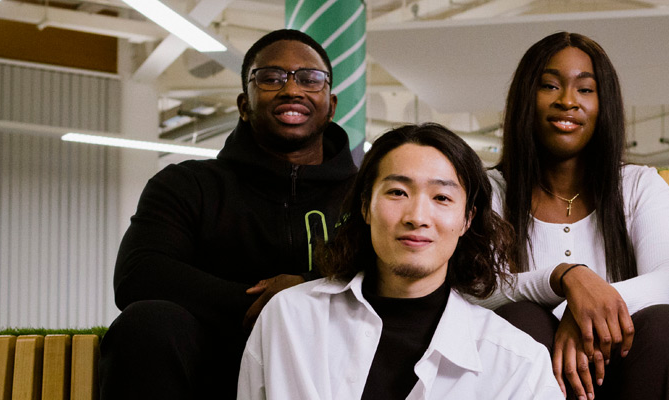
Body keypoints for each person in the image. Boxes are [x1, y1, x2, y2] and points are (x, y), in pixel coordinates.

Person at [101, 29, 355, 399]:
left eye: (309, 78)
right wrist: (264, 304)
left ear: (330, 105)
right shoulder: (188, 184)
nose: (291, 89)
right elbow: (139, 273)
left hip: (336, 365)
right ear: (243, 105)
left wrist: (303, 288)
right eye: (271, 78)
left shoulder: (366, 194)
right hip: (214, 368)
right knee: (148, 321)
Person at [238, 123, 563, 400]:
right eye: (397, 192)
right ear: (365, 206)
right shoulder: (290, 319)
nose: (417, 217)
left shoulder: (516, 363)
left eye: (442, 197)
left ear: (467, 219)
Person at [476, 32, 669, 399]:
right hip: (541, 375)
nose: (567, 101)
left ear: (604, 104)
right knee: (521, 320)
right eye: (549, 86)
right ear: (524, 99)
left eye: (585, 89)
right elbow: (475, 290)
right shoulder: (489, 191)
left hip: (630, 369)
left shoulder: (638, 185)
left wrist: (584, 307)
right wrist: (563, 279)